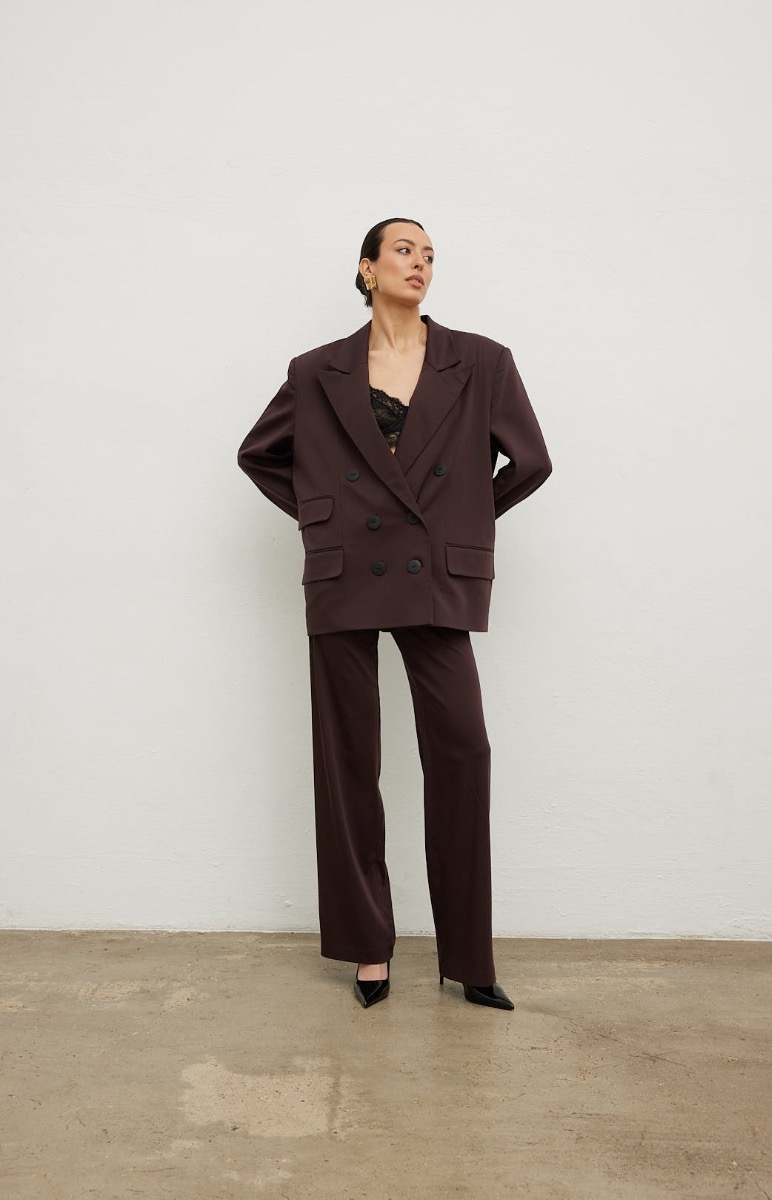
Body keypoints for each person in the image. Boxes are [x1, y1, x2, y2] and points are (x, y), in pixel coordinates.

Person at [238, 218, 552, 1011]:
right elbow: (258, 454)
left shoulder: (481, 361)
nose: (421, 263)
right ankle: (367, 950)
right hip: (345, 574)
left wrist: (460, 520)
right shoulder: (317, 371)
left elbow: (532, 460)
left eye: (430, 255)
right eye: (405, 250)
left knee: (462, 750)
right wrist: (325, 518)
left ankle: (469, 958)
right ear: (367, 269)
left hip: (434, 576)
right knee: (347, 761)